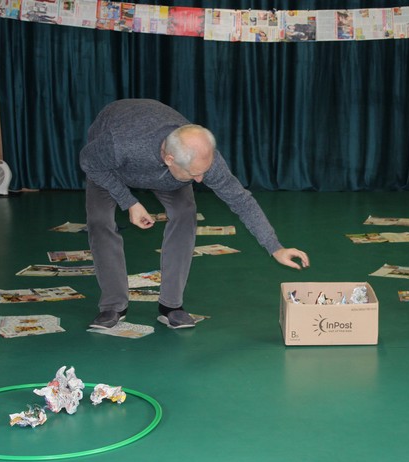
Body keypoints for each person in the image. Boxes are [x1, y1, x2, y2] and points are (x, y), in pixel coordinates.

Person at [80, 99, 310, 329]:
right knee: (100, 220)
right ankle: (113, 305)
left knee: (185, 213)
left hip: (171, 174)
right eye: (195, 174)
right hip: (108, 168)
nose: (200, 180)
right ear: (169, 159)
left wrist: (275, 247)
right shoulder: (121, 143)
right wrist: (129, 202)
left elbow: (240, 200)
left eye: (203, 172)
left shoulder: (202, 159)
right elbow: (88, 161)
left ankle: (171, 305)